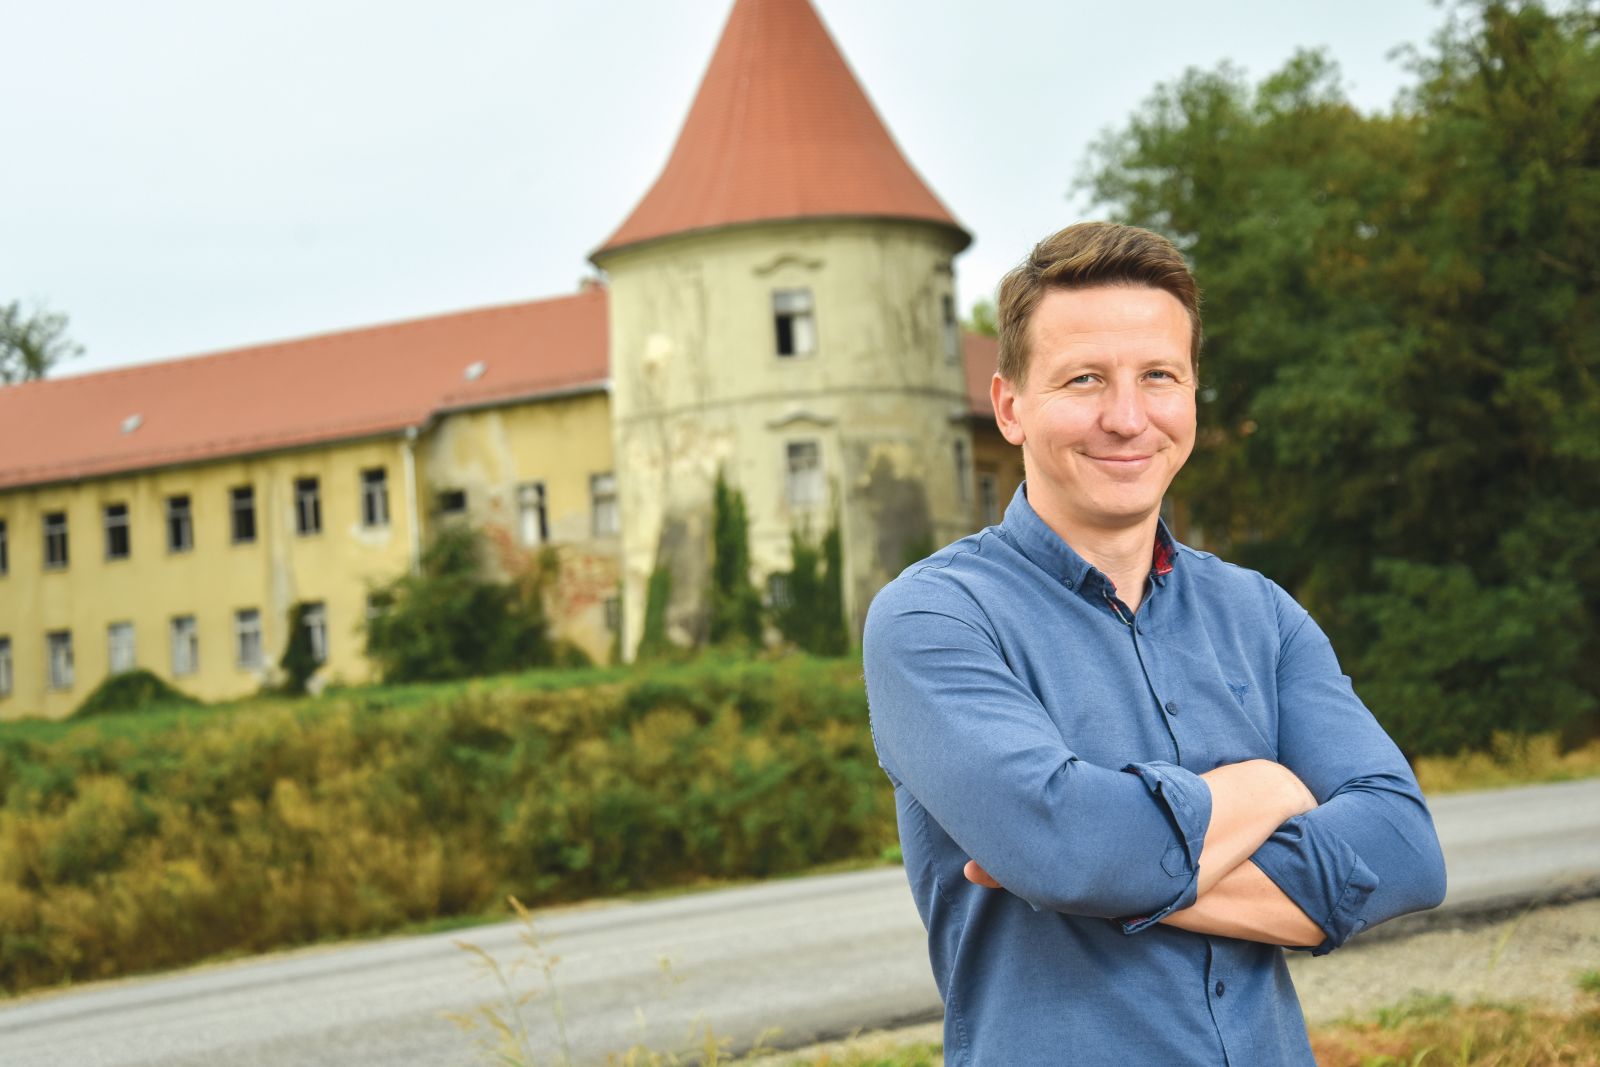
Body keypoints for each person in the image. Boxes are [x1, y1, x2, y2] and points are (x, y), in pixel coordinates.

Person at [863, 222, 1446, 1065]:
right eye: (1085, 379)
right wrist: (1267, 787)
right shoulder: (936, 619)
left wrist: (1099, 868)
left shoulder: (1262, 614)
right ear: (1010, 406)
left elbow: (1403, 850)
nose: (1127, 417)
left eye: (1158, 376)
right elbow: (1069, 851)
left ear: (1194, 395)